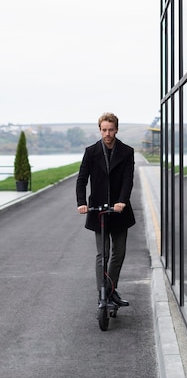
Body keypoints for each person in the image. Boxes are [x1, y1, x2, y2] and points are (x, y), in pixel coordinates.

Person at [76, 112, 136, 306]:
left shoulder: (127, 152)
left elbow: (128, 180)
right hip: (98, 210)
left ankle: (110, 290)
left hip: (119, 210)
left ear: (116, 129)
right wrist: (81, 202)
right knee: (103, 253)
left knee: (119, 252)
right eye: (104, 130)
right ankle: (103, 294)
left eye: (111, 130)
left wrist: (122, 201)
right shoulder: (91, 151)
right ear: (100, 130)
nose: (107, 133)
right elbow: (82, 179)